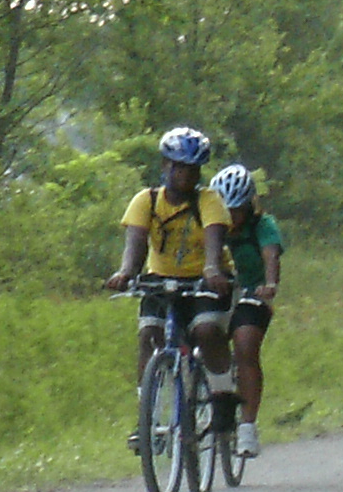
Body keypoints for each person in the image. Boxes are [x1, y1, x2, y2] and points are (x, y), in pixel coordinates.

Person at [111, 126, 238, 436]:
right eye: (179, 166)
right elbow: (136, 241)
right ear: (165, 166)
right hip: (160, 279)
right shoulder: (147, 200)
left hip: (204, 282)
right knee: (149, 336)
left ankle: (222, 396)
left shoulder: (209, 200)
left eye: (193, 169)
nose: (186, 175)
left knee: (207, 331)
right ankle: (148, 417)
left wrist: (211, 269)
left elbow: (214, 237)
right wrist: (126, 272)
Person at [210, 162, 284, 461]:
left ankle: (247, 427)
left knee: (245, 346)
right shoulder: (211, 225)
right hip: (218, 293)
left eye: (237, 210)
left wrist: (269, 283)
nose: (231, 218)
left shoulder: (263, 225)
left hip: (251, 293)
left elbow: (271, 254)